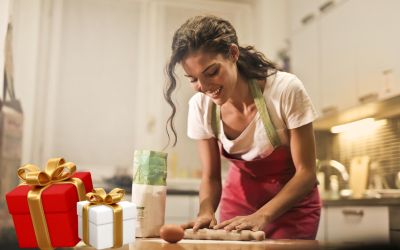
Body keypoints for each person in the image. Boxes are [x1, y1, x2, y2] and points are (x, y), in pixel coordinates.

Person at [163, 14, 322, 239]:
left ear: (233, 54)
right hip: (237, 208)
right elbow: (210, 177)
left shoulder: (285, 91)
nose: (205, 86)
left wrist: (262, 216)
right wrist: (206, 211)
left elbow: (306, 173)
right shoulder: (201, 107)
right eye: (193, 79)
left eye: (211, 73)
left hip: (292, 209)